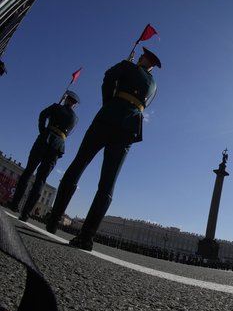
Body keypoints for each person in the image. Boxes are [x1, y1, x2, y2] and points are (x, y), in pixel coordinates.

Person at [46, 48, 161, 251]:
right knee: (108, 183)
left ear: (143, 59)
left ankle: (54, 220)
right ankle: (86, 237)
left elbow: (108, 76)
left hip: (108, 116)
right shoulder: (154, 85)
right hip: (129, 127)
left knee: (78, 165)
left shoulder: (129, 66)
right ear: (152, 66)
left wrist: (109, 102)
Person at [8, 91, 80, 222]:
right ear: (75, 105)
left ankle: (14, 204)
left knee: (28, 171)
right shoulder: (76, 119)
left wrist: (43, 130)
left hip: (44, 139)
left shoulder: (57, 107)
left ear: (66, 99)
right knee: (41, 180)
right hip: (58, 146)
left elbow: (42, 114)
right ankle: (26, 213)